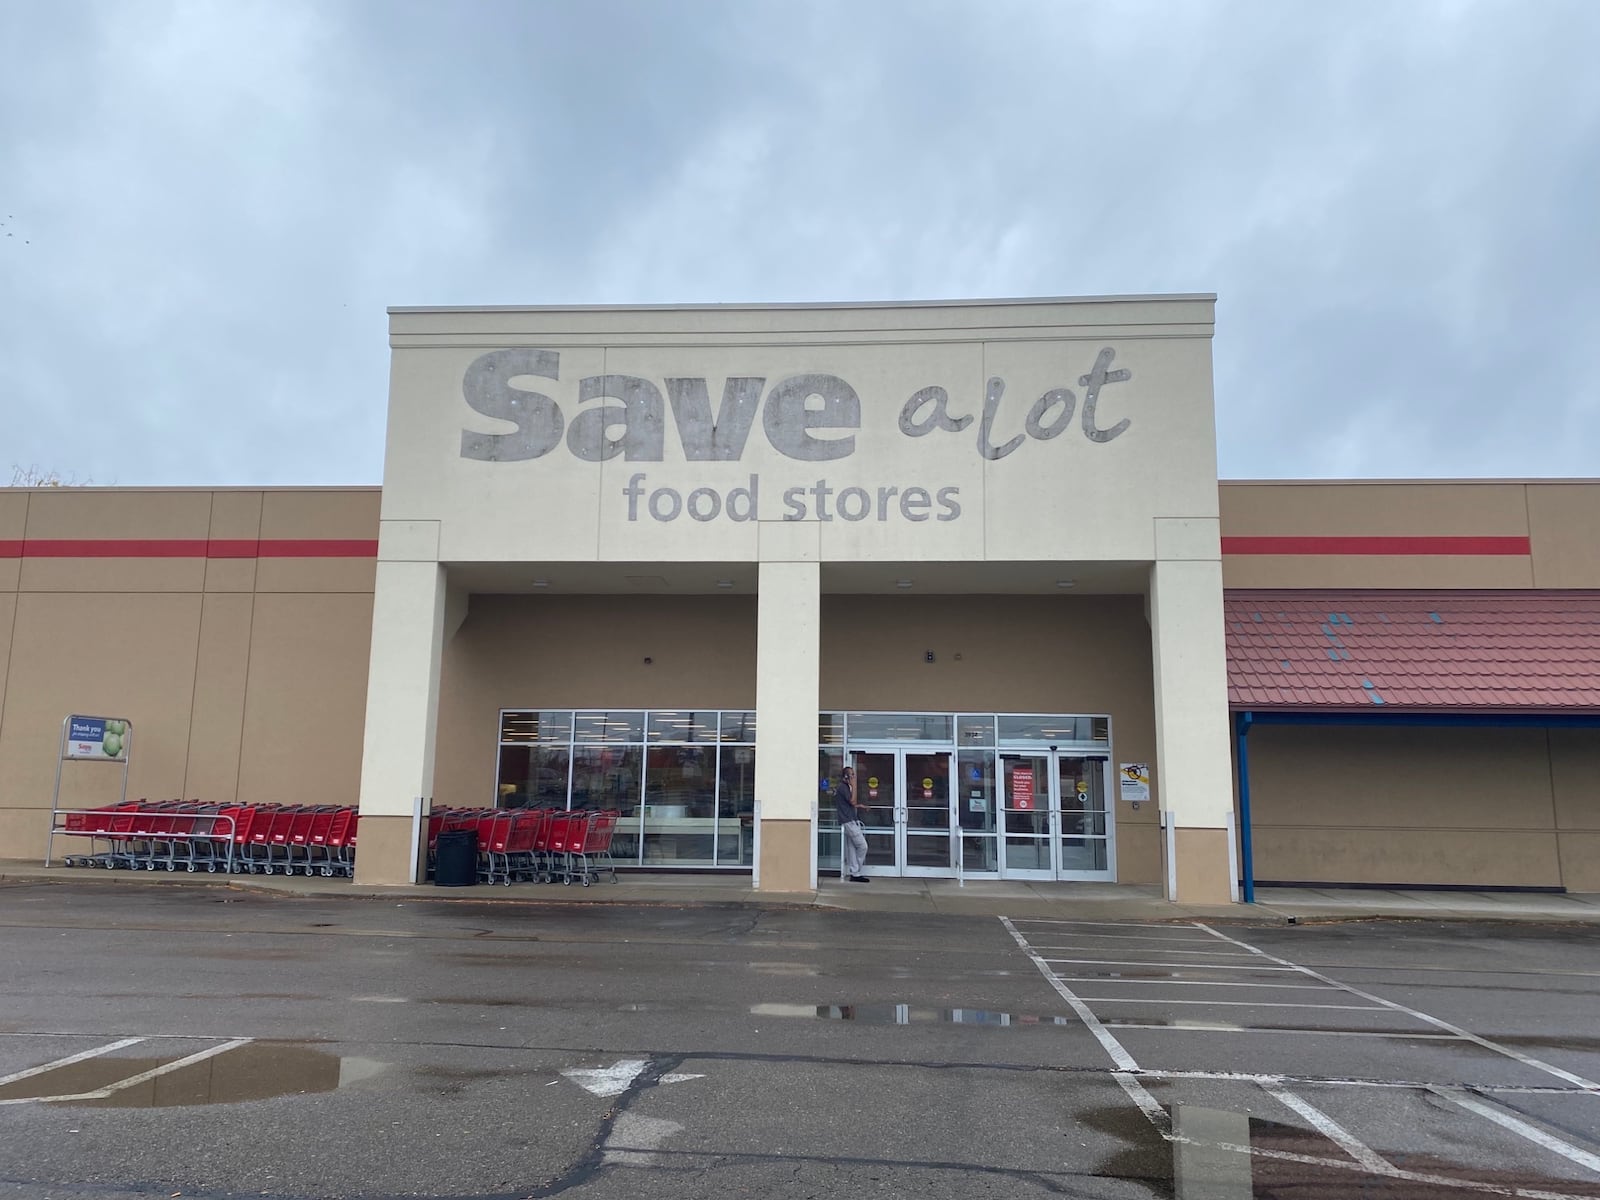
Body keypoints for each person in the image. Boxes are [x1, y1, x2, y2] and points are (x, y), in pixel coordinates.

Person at [835, 765, 870, 882]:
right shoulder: (843, 787)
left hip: (850, 819)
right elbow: (852, 800)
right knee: (862, 846)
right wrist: (854, 785)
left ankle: (855, 874)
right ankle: (855, 871)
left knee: (852, 848)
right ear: (846, 777)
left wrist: (859, 806)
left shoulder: (845, 787)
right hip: (848, 821)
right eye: (852, 775)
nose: (854, 777)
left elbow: (851, 803)